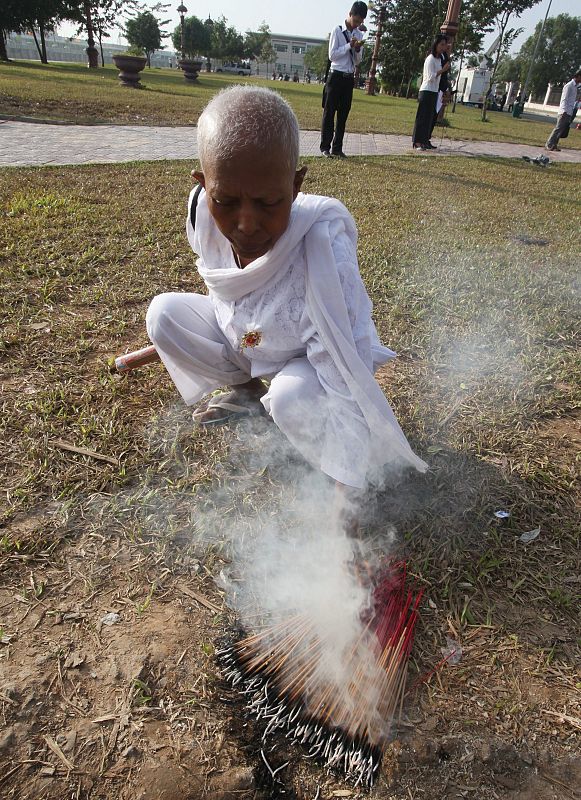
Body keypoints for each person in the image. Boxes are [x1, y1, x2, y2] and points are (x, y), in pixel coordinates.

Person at [146, 86, 427, 526]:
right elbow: (230, 294)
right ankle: (248, 390)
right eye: (226, 202)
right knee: (163, 315)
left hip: (309, 364)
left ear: (295, 186)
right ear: (203, 185)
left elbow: (341, 373)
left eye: (268, 203)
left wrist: (345, 504)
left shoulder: (320, 250)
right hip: (251, 336)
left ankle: (323, 453)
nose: (246, 223)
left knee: (293, 396)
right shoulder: (201, 211)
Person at [320, 2, 368, 159]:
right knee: (329, 113)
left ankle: (337, 148)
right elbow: (332, 55)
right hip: (336, 77)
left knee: (343, 115)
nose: (357, 25)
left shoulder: (359, 34)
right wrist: (349, 45)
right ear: (350, 14)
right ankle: (325, 147)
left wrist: (358, 49)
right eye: (356, 21)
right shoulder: (338, 30)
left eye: (360, 22)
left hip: (348, 78)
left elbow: (358, 61)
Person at [412, 35, 450, 151]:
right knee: (422, 117)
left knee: (429, 118)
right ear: (436, 45)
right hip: (426, 90)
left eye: (445, 45)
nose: (443, 47)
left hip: (434, 91)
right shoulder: (430, 59)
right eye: (441, 44)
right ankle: (417, 141)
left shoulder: (439, 59)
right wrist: (442, 70)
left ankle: (424, 141)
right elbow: (429, 77)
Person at [546, 70, 581, 152]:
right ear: (578, 76)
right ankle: (549, 144)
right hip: (564, 111)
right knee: (558, 128)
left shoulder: (575, 87)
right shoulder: (569, 86)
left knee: (561, 130)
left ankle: (554, 145)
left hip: (569, 111)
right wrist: (564, 110)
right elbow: (564, 99)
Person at [428, 40, 451, 145]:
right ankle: (425, 138)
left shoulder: (444, 57)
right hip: (434, 89)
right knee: (430, 115)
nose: (445, 47)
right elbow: (436, 74)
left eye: (445, 45)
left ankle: (427, 138)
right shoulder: (434, 58)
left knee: (434, 115)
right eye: (443, 45)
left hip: (440, 89)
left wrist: (446, 89)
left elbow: (445, 76)